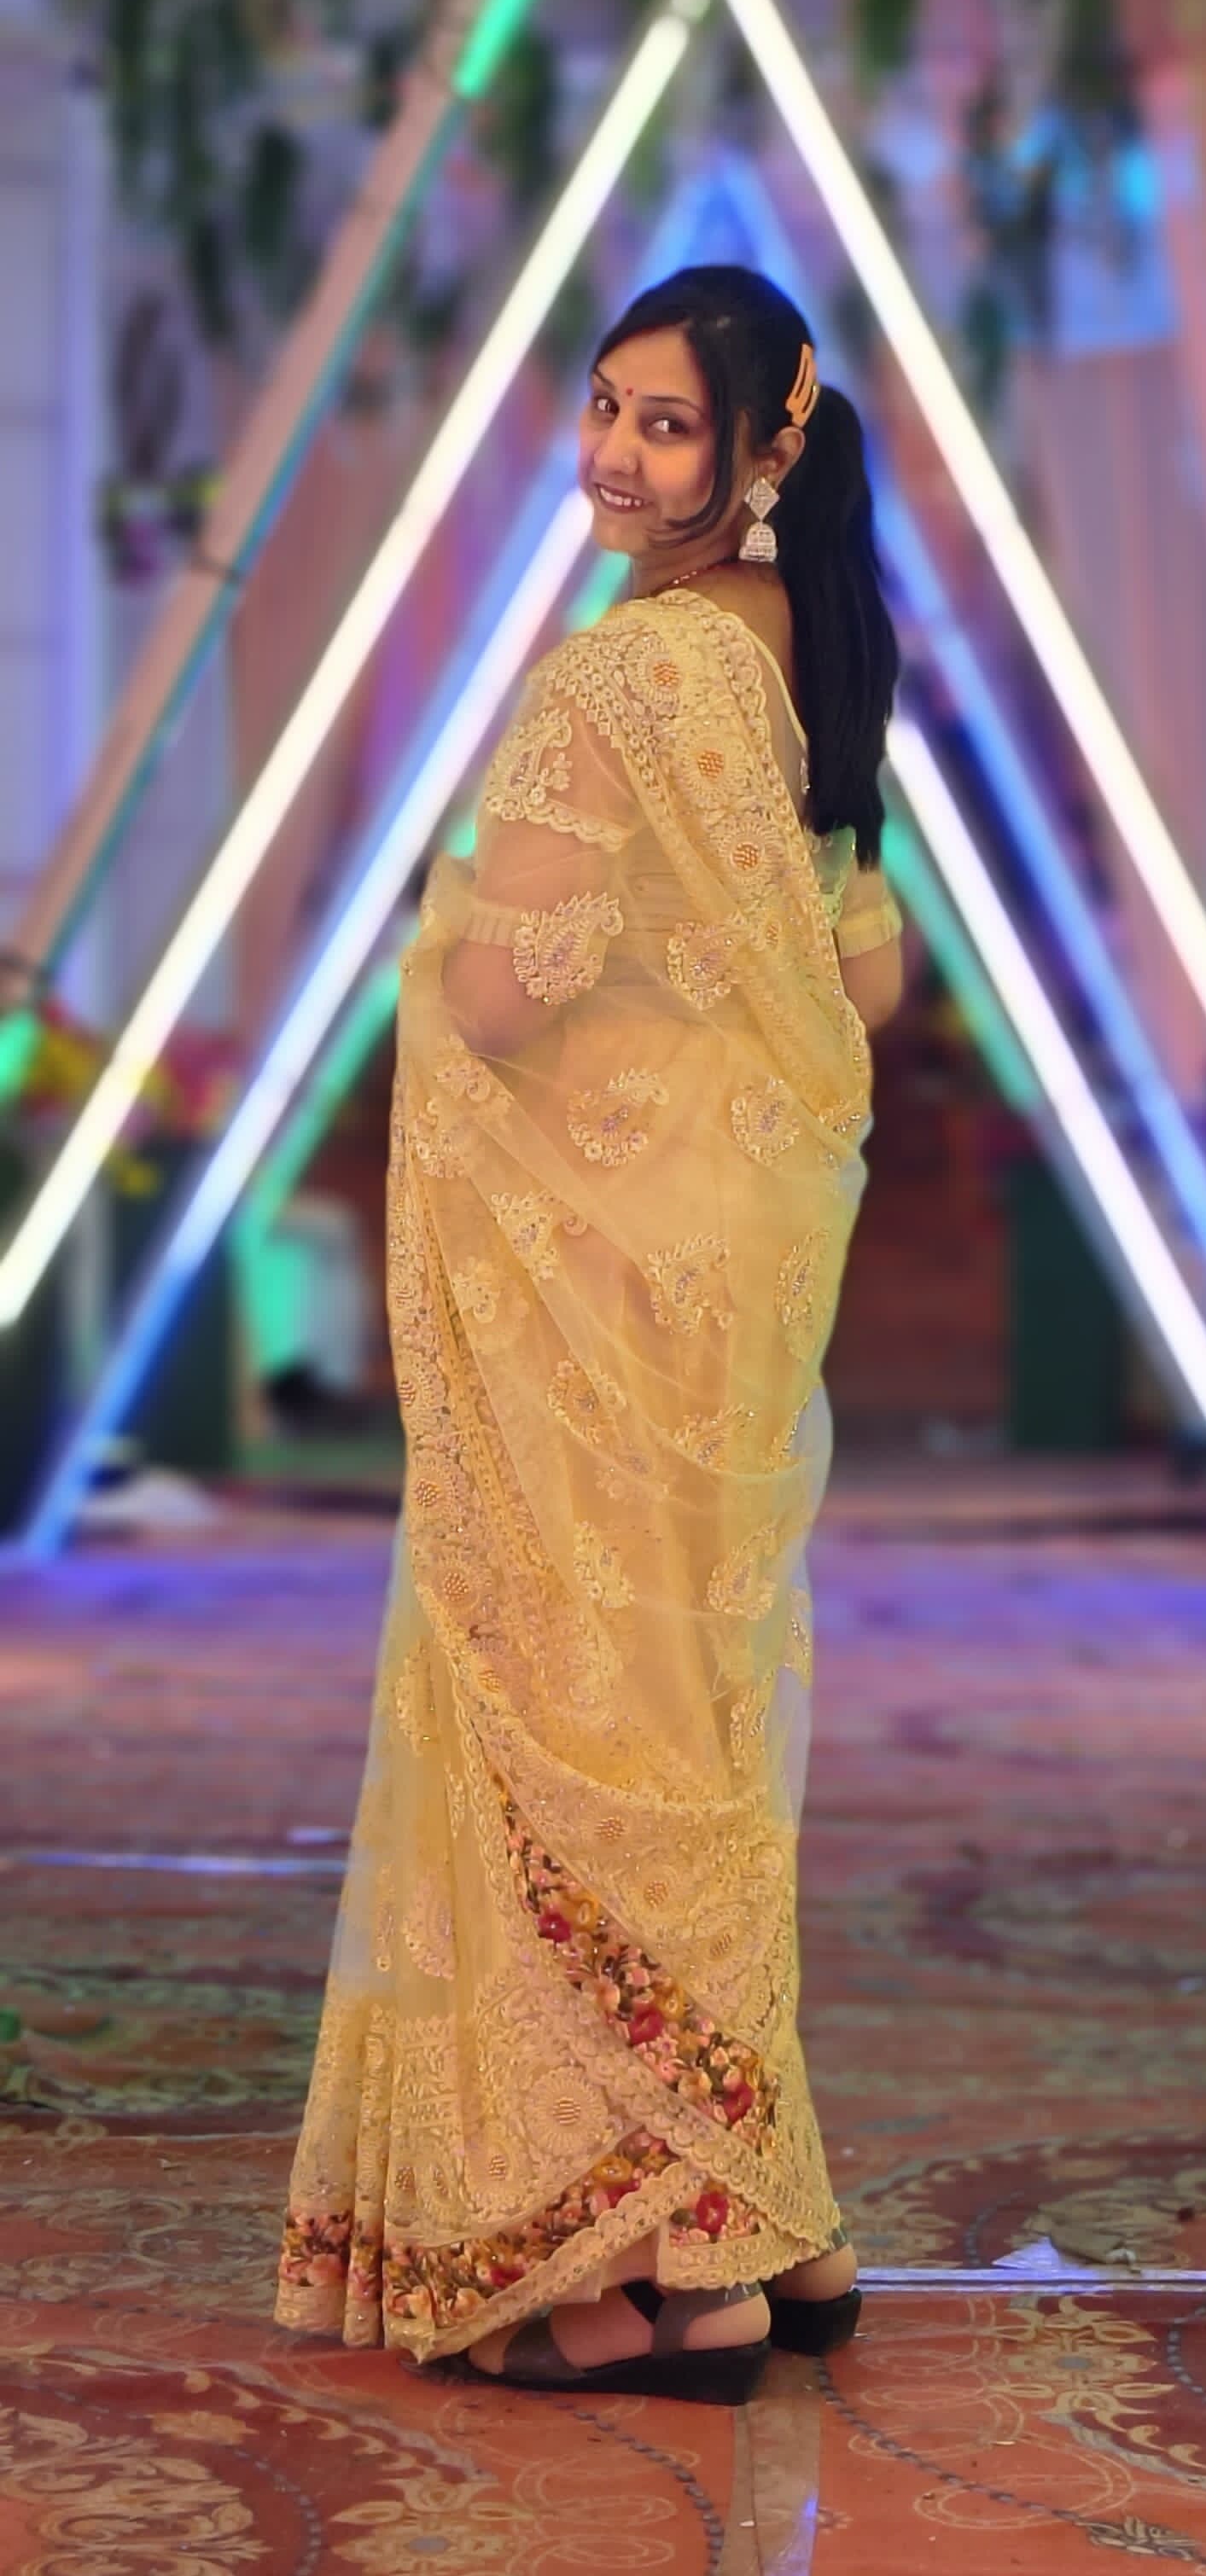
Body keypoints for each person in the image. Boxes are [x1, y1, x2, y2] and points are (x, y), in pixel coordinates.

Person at [275, 263, 904, 2402]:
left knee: (564, 1715)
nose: (617, 456)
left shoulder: (621, 675)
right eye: (607, 407)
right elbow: (864, 974)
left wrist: (436, 924)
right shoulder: (816, 647)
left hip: (593, 1286)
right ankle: (757, 2230)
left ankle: (609, 2258)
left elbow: (500, 996)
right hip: (733, 1277)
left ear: (763, 449)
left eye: (666, 422)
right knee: (689, 1720)